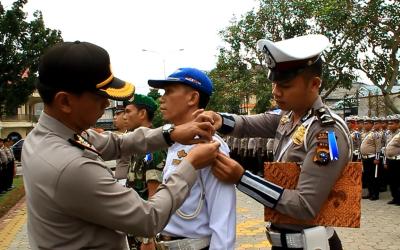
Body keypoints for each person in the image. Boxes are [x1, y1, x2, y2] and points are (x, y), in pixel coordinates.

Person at [22, 41, 220, 250]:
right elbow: (148, 219)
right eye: (100, 97)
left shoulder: (47, 136)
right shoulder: (71, 166)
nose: (107, 104)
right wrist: (190, 164)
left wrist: (171, 133)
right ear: (65, 102)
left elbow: (117, 142)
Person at [205, 34, 351, 250]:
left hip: (312, 245)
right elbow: (247, 124)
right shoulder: (289, 117)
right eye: (274, 83)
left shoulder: (327, 132)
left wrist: (242, 178)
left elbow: (305, 206)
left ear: (314, 84)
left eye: (285, 85)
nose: (276, 92)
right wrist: (219, 119)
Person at [148, 67, 236, 249]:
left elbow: (223, 220)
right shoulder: (175, 143)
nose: (161, 98)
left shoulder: (209, 145)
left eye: (169, 91)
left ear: (193, 98)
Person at [116, 94, 166, 249]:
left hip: (143, 233)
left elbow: (154, 196)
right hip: (133, 227)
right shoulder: (137, 145)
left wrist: (147, 239)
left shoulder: (152, 147)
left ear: (142, 114)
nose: (124, 116)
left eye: (128, 111)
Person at [360, 116, 382, 200]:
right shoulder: (364, 134)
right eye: (364, 123)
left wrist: (377, 158)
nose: (365, 125)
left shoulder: (375, 134)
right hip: (365, 158)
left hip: (372, 158)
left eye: (367, 123)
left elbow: (378, 147)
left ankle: (375, 194)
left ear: (371, 124)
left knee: (373, 177)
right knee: (367, 177)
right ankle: (369, 192)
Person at [384, 115, 400, 205]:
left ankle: (399, 199)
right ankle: (394, 197)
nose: (389, 125)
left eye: (392, 123)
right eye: (389, 123)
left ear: (398, 124)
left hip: (398, 161)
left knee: (398, 181)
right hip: (390, 160)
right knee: (391, 181)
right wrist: (385, 161)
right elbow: (386, 147)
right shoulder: (388, 134)